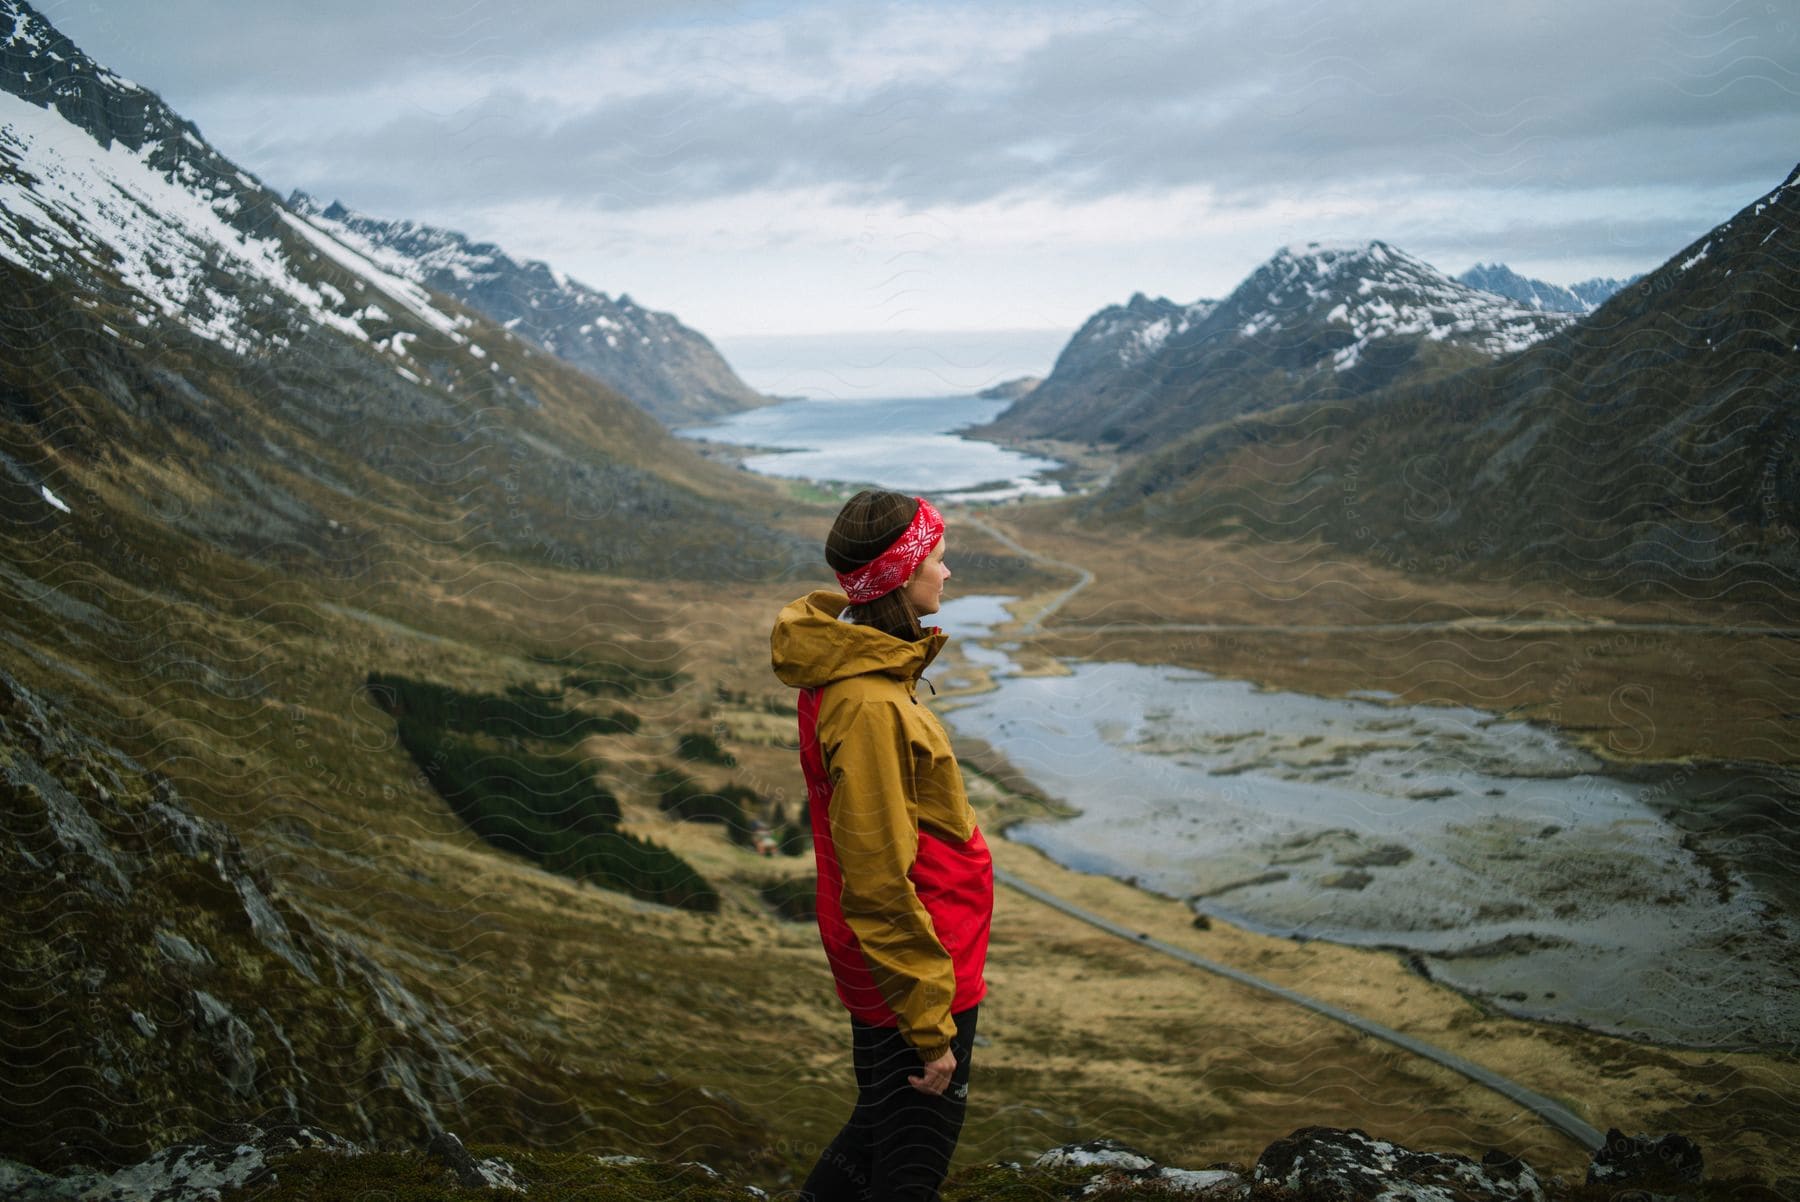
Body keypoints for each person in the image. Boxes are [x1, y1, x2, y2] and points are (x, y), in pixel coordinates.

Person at [770, 490, 994, 1201]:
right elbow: (876, 880)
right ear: (900, 576)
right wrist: (930, 1027)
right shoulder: (869, 704)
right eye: (936, 557)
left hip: (916, 959)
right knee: (907, 1177)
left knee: (874, 1136)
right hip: (918, 967)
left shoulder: (860, 670)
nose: (947, 572)